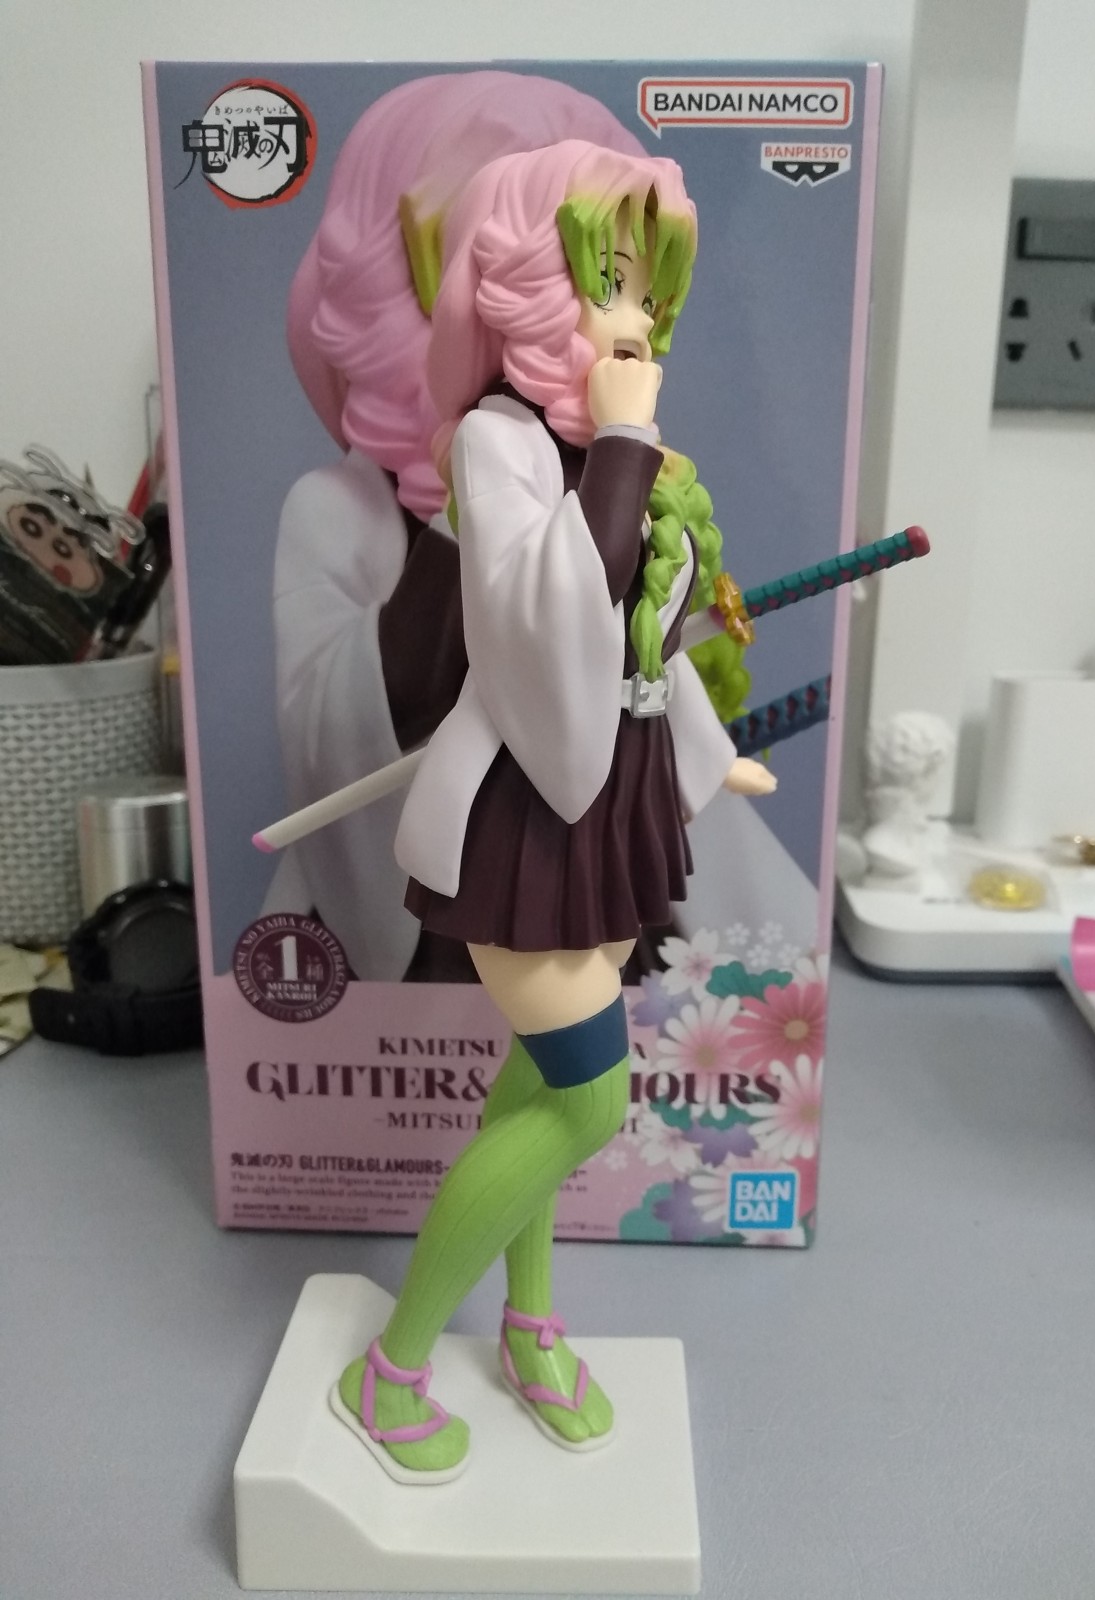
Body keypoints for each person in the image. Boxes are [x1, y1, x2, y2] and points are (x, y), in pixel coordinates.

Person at [331, 140, 777, 1482]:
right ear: (528, 284)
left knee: (533, 1085)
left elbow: (640, 641)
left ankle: (529, 1328)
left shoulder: (601, 451)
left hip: (609, 804)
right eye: (610, 280)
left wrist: (707, 745)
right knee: (586, 1105)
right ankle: (392, 1366)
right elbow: (544, 628)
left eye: (652, 289)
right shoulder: (501, 441)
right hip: (527, 816)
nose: (638, 319)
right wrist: (627, 445)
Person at [269, 74, 647, 981]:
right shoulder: (339, 511)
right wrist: (466, 511)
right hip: (430, 911)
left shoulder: (612, 477)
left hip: (584, 868)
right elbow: (329, 732)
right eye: (480, 262)